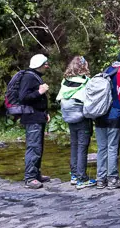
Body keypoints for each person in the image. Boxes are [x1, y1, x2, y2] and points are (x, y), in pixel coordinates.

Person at [94, 50, 120, 189]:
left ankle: (100, 180)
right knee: (112, 147)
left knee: (101, 148)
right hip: (114, 114)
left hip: (99, 114)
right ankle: (112, 179)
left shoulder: (106, 70)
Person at [56, 55, 95, 189]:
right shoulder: (86, 81)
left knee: (74, 146)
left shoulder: (65, 81)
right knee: (82, 147)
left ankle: (74, 175)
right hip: (82, 118)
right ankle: (82, 179)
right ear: (84, 67)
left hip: (69, 118)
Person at [19, 53, 51, 189]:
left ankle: (36, 174)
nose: (47, 66)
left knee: (39, 146)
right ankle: (30, 178)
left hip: (38, 116)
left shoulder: (34, 76)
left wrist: (45, 113)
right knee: (33, 147)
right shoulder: (28, 77)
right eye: (46, 64)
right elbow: (23, 97)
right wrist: (40, 92)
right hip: (32, 118)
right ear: (39, 65)